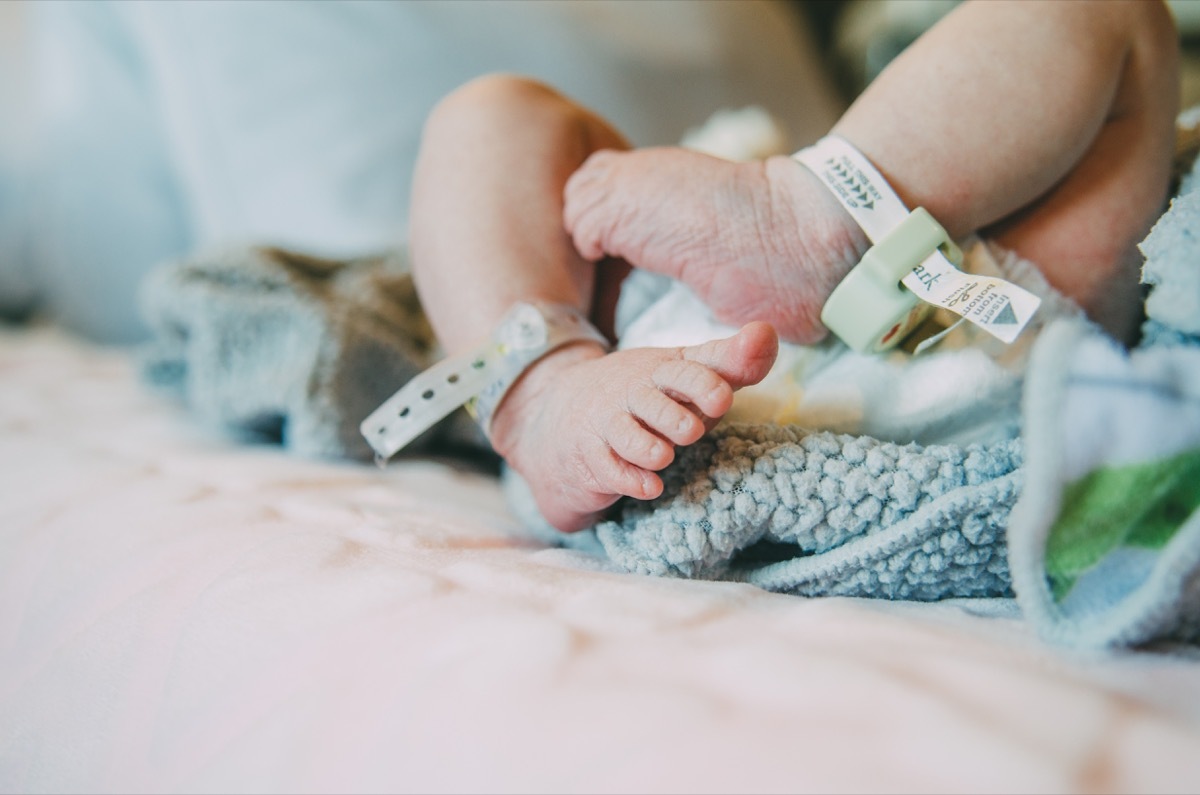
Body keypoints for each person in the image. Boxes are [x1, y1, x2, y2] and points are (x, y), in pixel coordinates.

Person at [408, 0, 1180, 532]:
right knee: (1115, 19)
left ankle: (808, 218)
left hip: (966, 321)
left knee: (488, 114)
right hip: (978, 335)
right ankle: (546, 391)